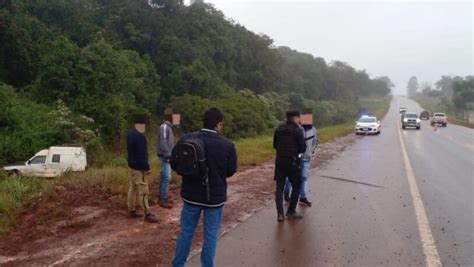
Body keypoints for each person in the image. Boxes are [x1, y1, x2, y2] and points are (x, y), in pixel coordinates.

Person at [171, 108, 237, 267]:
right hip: (214, 199)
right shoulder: (227, 145)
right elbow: (230, 172)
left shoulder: (186, 138)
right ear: (219, 124)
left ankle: (177, 265)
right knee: (210, 235)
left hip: (190, 196)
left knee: (186, 233)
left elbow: (174, 163)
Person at [273, 111, 306, 222]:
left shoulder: (278, 129)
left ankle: (280, 214)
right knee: (297, 186)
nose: (299, 120)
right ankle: (291, 211)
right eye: (299, 118)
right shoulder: (298, 130)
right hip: (293, 163)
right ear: (295, 118)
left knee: (279, 188)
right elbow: (303, 148)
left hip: (280, 162)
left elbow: (275, 145)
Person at [126, 114, 159, 223]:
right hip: (139, 169)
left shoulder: (130, 134)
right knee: (143, 191)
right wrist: (146, 168)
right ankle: (147, 213)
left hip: (131, 166)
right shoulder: (140, 136)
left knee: (132, 188)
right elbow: (142, 155)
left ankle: (131, 209)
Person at [284, 113, 318, 207]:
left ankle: (302, 197)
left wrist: (312, 151)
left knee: (303, 178)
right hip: (296, 158)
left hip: (307, 158)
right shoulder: (297, 129)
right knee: (291, 178)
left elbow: (315, 141)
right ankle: (286, 191)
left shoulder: (313, 130)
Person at [156, 111, 175, 208]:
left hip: (166, 156)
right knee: (167, 177)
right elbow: (163, 142)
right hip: (164, 156)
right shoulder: (164, 127)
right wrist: (168, 155)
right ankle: (163, 199)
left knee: (164, 176)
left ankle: (162, 197)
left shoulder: (169, 128)